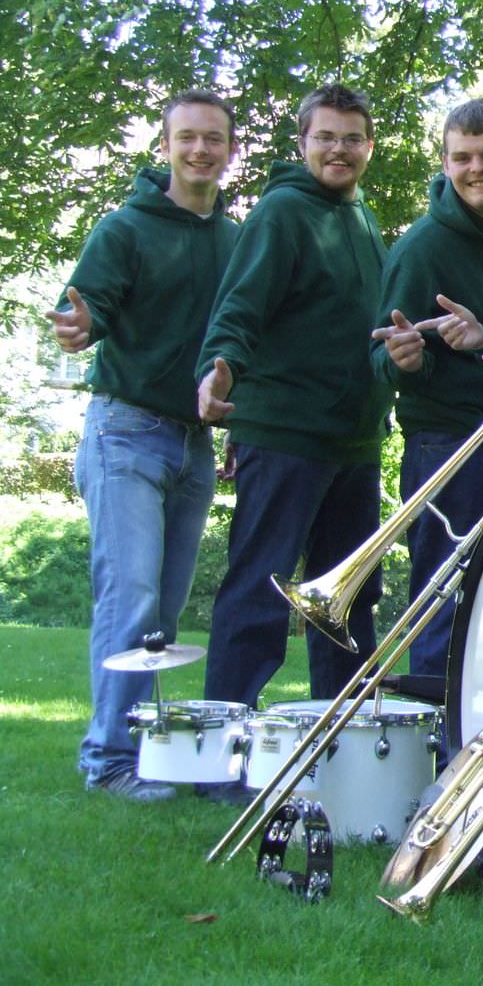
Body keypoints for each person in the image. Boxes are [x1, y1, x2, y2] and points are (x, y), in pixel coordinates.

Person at [50, 90, 240, 801]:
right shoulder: (124, 228)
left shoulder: (236, 241)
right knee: (129, 599)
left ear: (230, 150)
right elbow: (86, 310)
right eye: (186, 137)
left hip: (195, 445)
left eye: (213, 138)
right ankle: (108, 760)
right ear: (164, 147)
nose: (200, 149)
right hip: (125, 433)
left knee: (161, 615)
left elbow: (238, 338)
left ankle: (142, 752)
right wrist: (79, 325)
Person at [196, 83, 393, 744]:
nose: (340, 150)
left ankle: (340, 744)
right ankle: (225, 746)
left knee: (347, 599)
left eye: (352, 138)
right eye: (326, 137)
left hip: (354, 441)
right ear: (303, 143)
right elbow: (240, 304)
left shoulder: (363, 220)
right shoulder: (282, 211)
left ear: (369, 146)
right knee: (261, 590)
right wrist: (221, 365)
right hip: (284, 435)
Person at [369, 98, 483, 680]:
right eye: (463, 157)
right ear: (445, 164)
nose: (477, 169)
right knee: (445, 602)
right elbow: (381, 357)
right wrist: (405, 361)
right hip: (447, 445)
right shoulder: (421, 247)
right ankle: (437, 733)